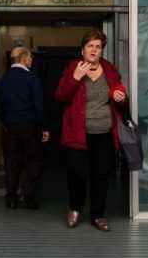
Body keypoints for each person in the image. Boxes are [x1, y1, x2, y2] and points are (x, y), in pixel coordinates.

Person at [55, 30, 129, 232]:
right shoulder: (73, 68)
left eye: (98, 46)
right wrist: (75, 78)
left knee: (102, 175)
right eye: (90, 46)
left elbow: (119, 95)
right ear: (83, 49)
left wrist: (121, 98)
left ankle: (98, 215)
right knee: (77, 174)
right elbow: (60, 96)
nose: (94, 50)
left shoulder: (110, 70)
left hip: (104, 133)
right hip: (78, 133)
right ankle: (75, 209)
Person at [0, 46, 49, 210]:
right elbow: (38, 106)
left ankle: (11, 198)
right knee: (33, 162)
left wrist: (6, 123)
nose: (32, 60)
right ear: (23, 58)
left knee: (12, 163)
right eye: (30, 57)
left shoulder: (4, 79)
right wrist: (44, 128)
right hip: (30, 126)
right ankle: (28, 196)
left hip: (10, 127)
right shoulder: (32, 78)